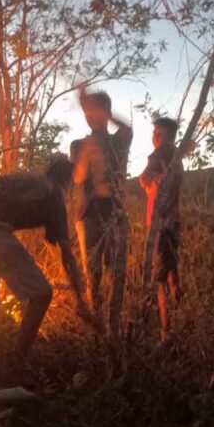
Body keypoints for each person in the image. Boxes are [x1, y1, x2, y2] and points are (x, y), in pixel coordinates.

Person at [0, 157, 95, 356]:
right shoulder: (53, 194)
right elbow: (67, 255)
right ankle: (17, 360)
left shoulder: (33, 180)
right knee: (42, 294)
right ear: (68, 183)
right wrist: (81, 301)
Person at [70, 88, 132, 338]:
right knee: (92, 272)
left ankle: (113, 327)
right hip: (89, 215)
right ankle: (96, 327)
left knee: (117, 271)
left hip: (114, 212)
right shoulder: (79, 145)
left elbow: (127, 129)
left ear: (104, 113)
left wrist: (104, 113)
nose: (89, 117)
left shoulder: (118, 140)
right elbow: (78, 181)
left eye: (93, 112)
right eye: (86, 112)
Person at [139, 117, 183, 343]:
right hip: (174, 223)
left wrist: (149, 183)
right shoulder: (177, 158)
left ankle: (166, 333)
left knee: (158, 278)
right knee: (173, 272)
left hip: (160, 226)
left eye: (156, 133)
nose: (153, 137)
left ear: (162, 136)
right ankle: (180, 318)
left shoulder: (158, 156)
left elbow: (143, 180)